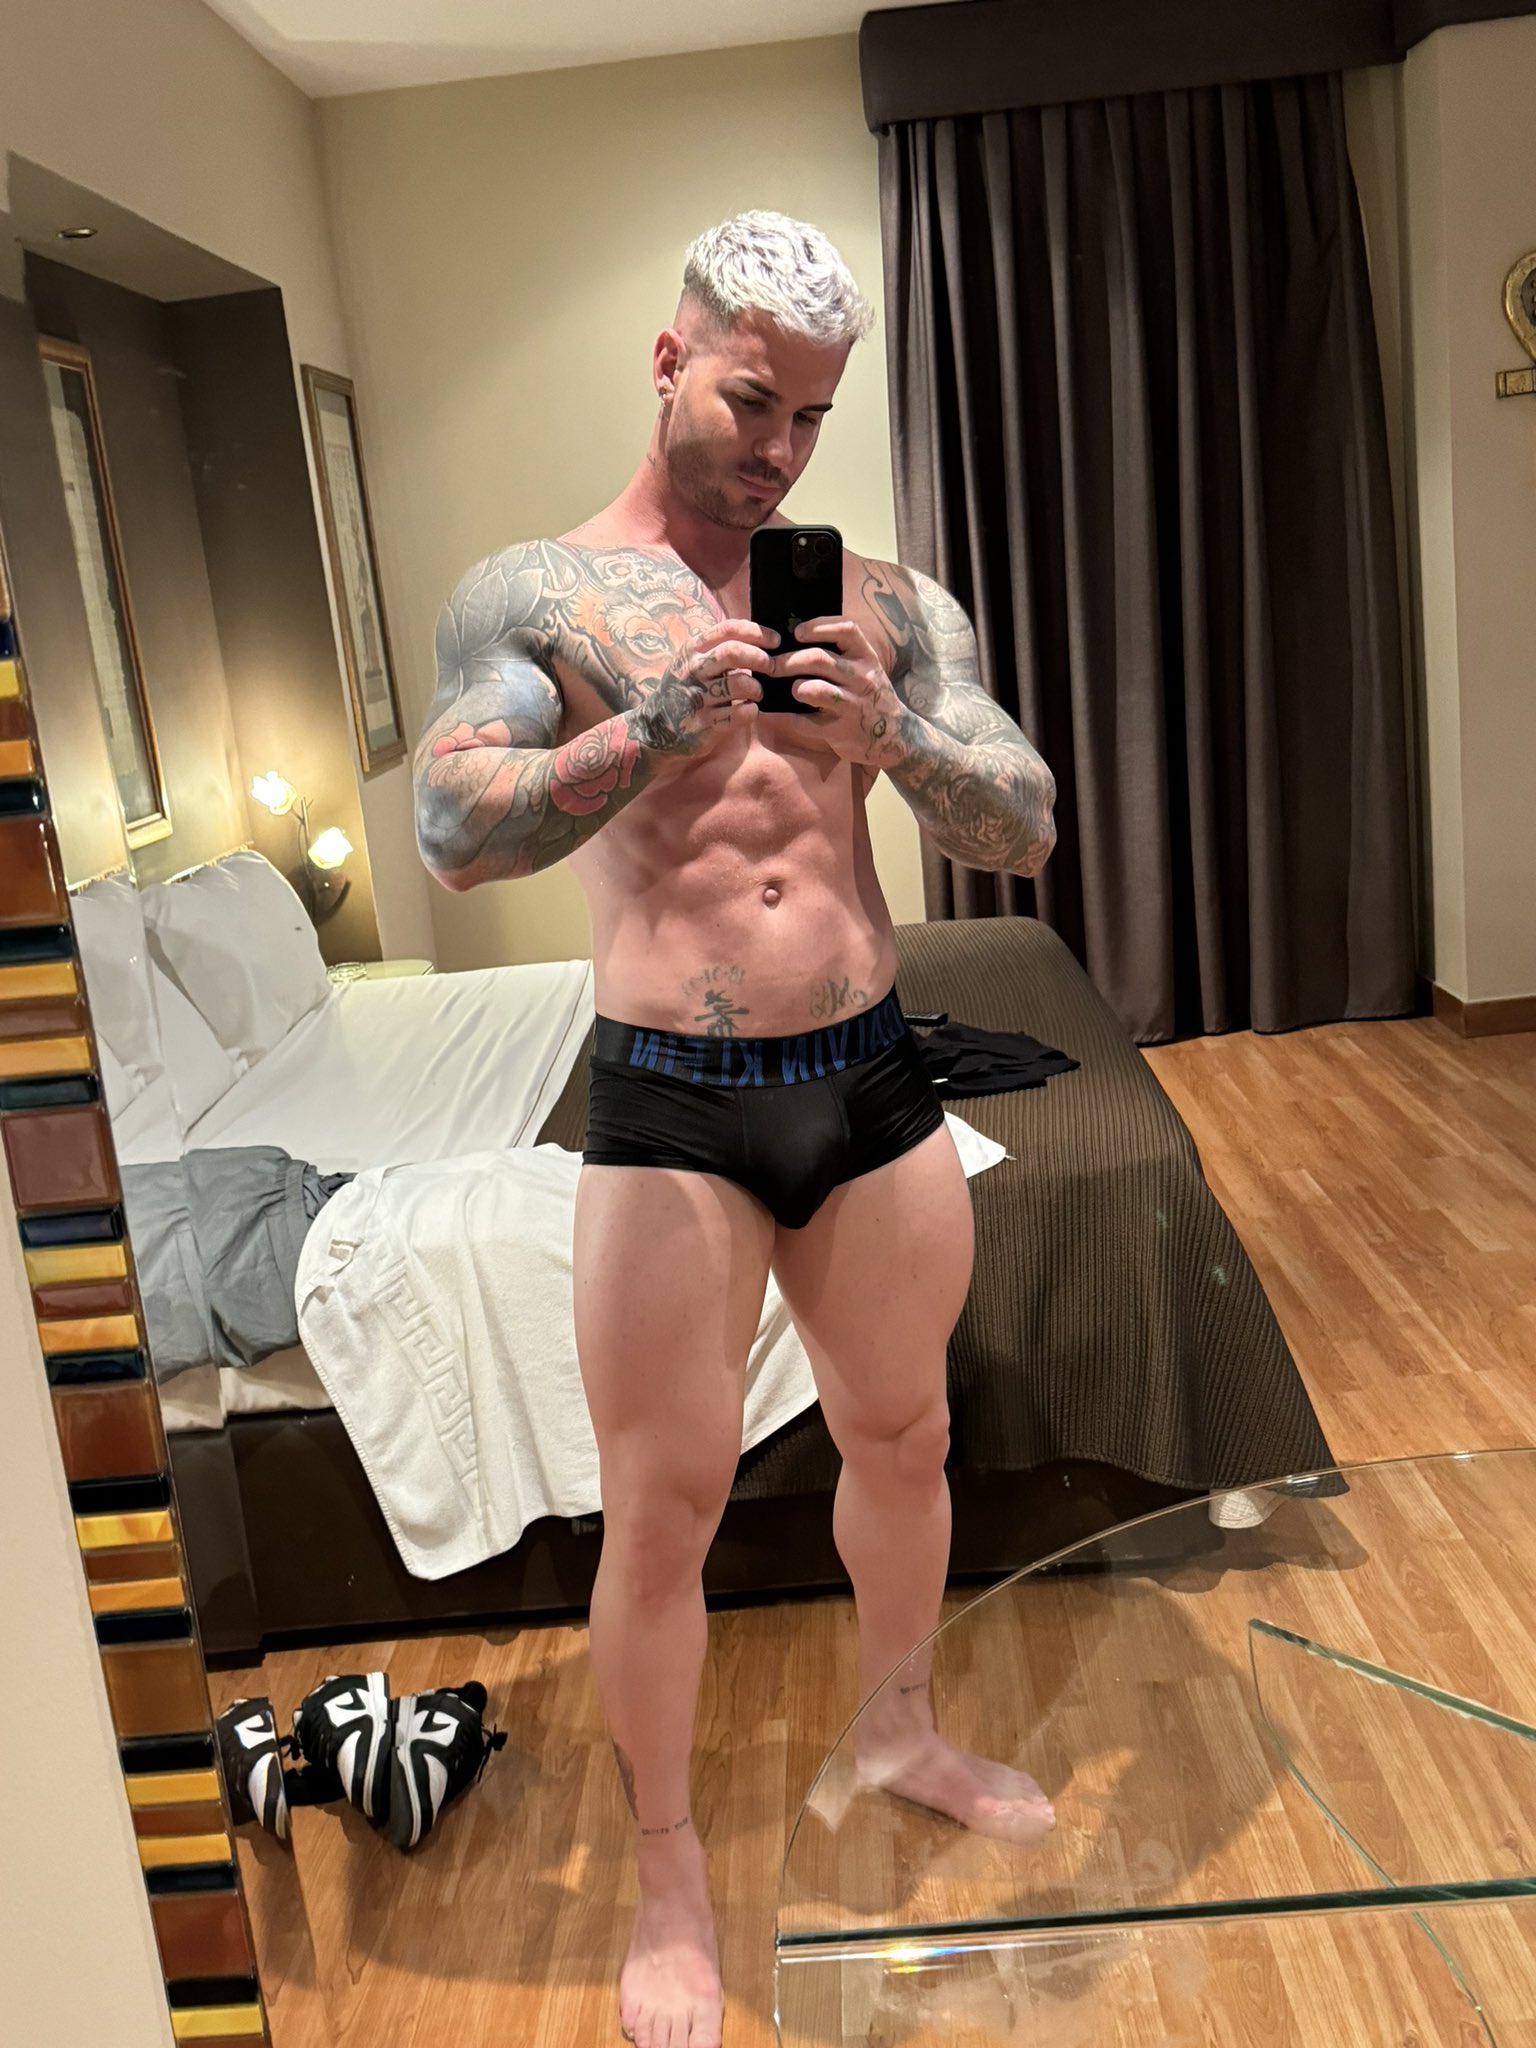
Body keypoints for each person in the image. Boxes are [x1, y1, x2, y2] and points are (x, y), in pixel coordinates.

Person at [414, 211, 1058, 2048]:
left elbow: (1026, 820)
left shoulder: (888, 599)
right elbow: (451, 835)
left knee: (906, 1436)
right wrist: (647, 735)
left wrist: (894, 737)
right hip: (673, 1102)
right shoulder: (538, 594)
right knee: (663, 1510)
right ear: (668, 360)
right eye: (751, 401)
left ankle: (903, 1730)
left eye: (813, 417)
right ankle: (669, 1869)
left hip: (869, 1075)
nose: (781, 449)